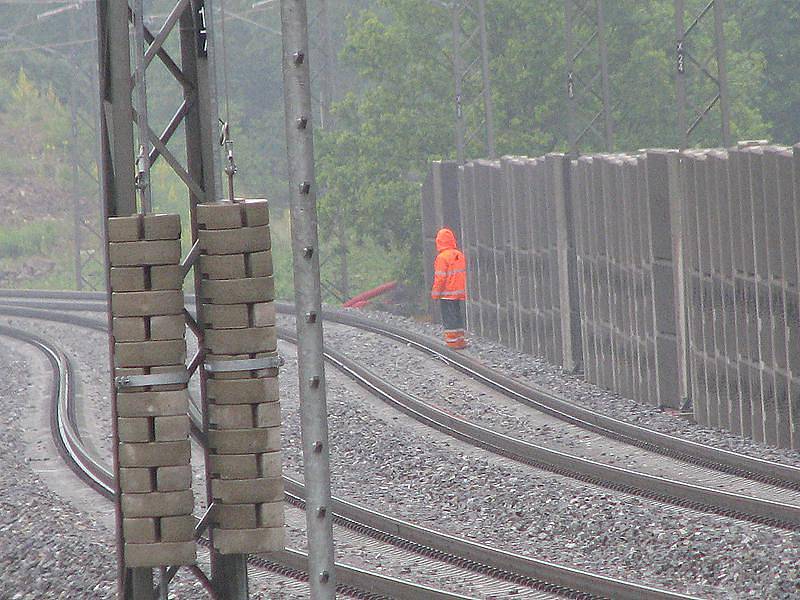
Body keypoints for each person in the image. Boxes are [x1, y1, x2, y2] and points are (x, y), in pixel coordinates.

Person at [431, 227, 468, 349]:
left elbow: (440, 278)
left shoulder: (442, 258)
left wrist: (435, 294)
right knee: (457, 316)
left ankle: (452, 343)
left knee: (449, 317)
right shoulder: (459, 255)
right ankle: (460, 340)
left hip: (447, 294)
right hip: (459, 293)